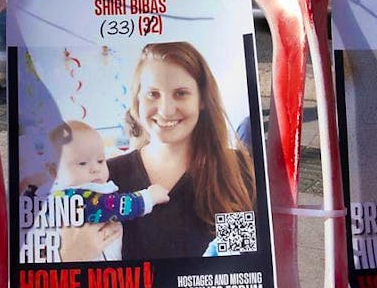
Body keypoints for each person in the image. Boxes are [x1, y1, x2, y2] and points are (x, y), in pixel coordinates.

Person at [61, 42, 256, 260]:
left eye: (181, 93)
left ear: (202, 99)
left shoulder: (234, 171)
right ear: (137, 100)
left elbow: (241, 265)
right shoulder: (105, 177)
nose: (165, 110)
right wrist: (69, 257)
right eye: (153, 94)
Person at [31, 120, 169, 262]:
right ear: (54, 171)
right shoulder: (70, 195)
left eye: (100, 160)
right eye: (82, 163)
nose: (95, 168)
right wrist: (148, 197)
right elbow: (112, 206)